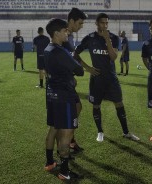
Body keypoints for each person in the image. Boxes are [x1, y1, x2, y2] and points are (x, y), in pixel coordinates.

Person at [74, 13, 139, 142]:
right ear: (97, 23)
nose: (105, 25)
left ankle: (126, 132)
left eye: (107, 23)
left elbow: (113, 57)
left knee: (119, 103)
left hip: (111, 78)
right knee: (96, 105)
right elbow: (75, 53)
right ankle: (100, 131)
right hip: (97, 78)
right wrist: (88, 68)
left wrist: (107, 39)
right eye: (102, 23)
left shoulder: (114, 38)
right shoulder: (90, 38)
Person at [44, 18, 84, 180]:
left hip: (52, 95)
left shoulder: (48, 48)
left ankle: (50, 162)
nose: (67, 32)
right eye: (64, 30)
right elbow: (79, 70)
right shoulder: (60, 51)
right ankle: (64, 172)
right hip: (64, 96)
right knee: (65, 135)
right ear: (56, 33)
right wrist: (73, 67)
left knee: (54, 128)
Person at [63, 7, 93, 154]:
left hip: (68, 80)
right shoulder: (62, 35)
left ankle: (70, 141)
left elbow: (73, 56)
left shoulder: (69, 36)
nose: (81, 26)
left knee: (77, 107)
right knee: (66, 116)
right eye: (80, 23)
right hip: (62, 83)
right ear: (71, 21)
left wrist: (87, 68)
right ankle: (64, 147)